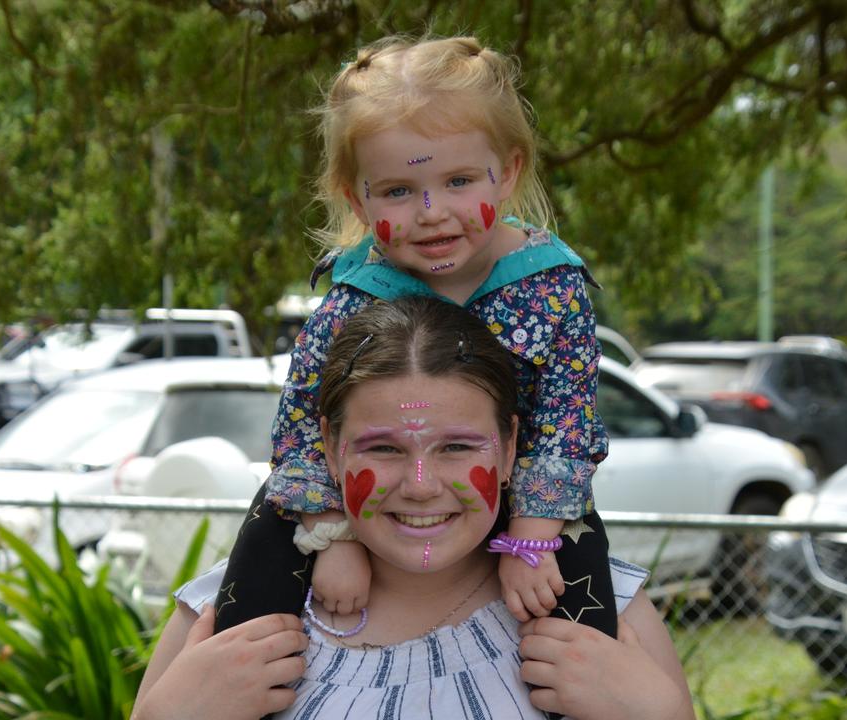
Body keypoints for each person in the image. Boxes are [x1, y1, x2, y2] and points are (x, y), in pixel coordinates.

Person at [215, 33, 617, 649]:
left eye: (459, 181)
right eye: (398, 191)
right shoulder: (352, 301)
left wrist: (530, 540)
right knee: (256, 596)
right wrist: (332, 537)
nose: (431, 211)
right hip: (364, 502)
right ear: (358, 196)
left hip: (526, 495)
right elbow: (301, 424)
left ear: (507, 173)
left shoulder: (553, 288)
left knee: (579, 634)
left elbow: (566, 421)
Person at [132, 297, 695, 720]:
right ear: (328, 448)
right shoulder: (225, 617)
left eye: (456, 446)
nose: (422, 485)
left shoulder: (606, 616)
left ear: (510, 447)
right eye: (384, 448)